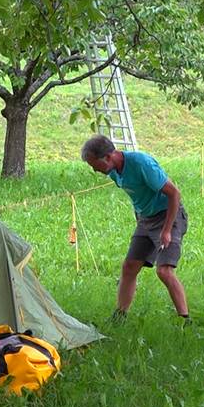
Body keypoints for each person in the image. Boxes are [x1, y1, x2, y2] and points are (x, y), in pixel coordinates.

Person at [80, 135, 190, 325]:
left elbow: (174, 194)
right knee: (129, 267)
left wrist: (166, 231)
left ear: (108, 156)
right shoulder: (113, 171)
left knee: (164, 271)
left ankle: (185, 320)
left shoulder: (141, 164)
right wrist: (140, 218)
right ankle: (120, 316)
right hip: (145, 221)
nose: (94, 169)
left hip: (167, 217)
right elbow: (137, 196)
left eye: (94, 164)